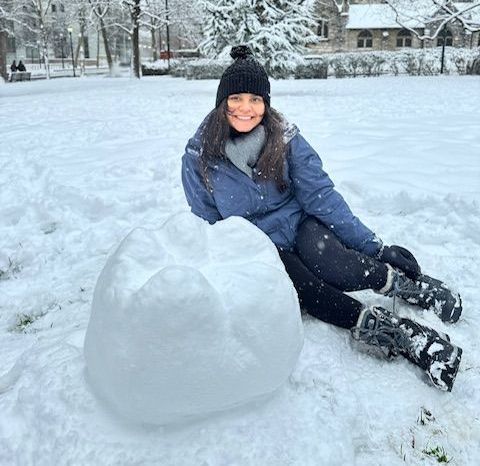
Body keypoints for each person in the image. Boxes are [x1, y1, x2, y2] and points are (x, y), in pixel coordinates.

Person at [181, 45, 463, 392]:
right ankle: (400, 334)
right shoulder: (198, 157)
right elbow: (210, 225)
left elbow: (321, 197)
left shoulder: (285, 139)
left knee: (334, 265)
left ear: (266, 104)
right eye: (236, 98)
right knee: (306, 289)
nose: (245, 108)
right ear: (221, 102)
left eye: (255, 99)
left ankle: (402, 284)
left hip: (298, 225)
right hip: (256, 245)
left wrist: (376, 247)